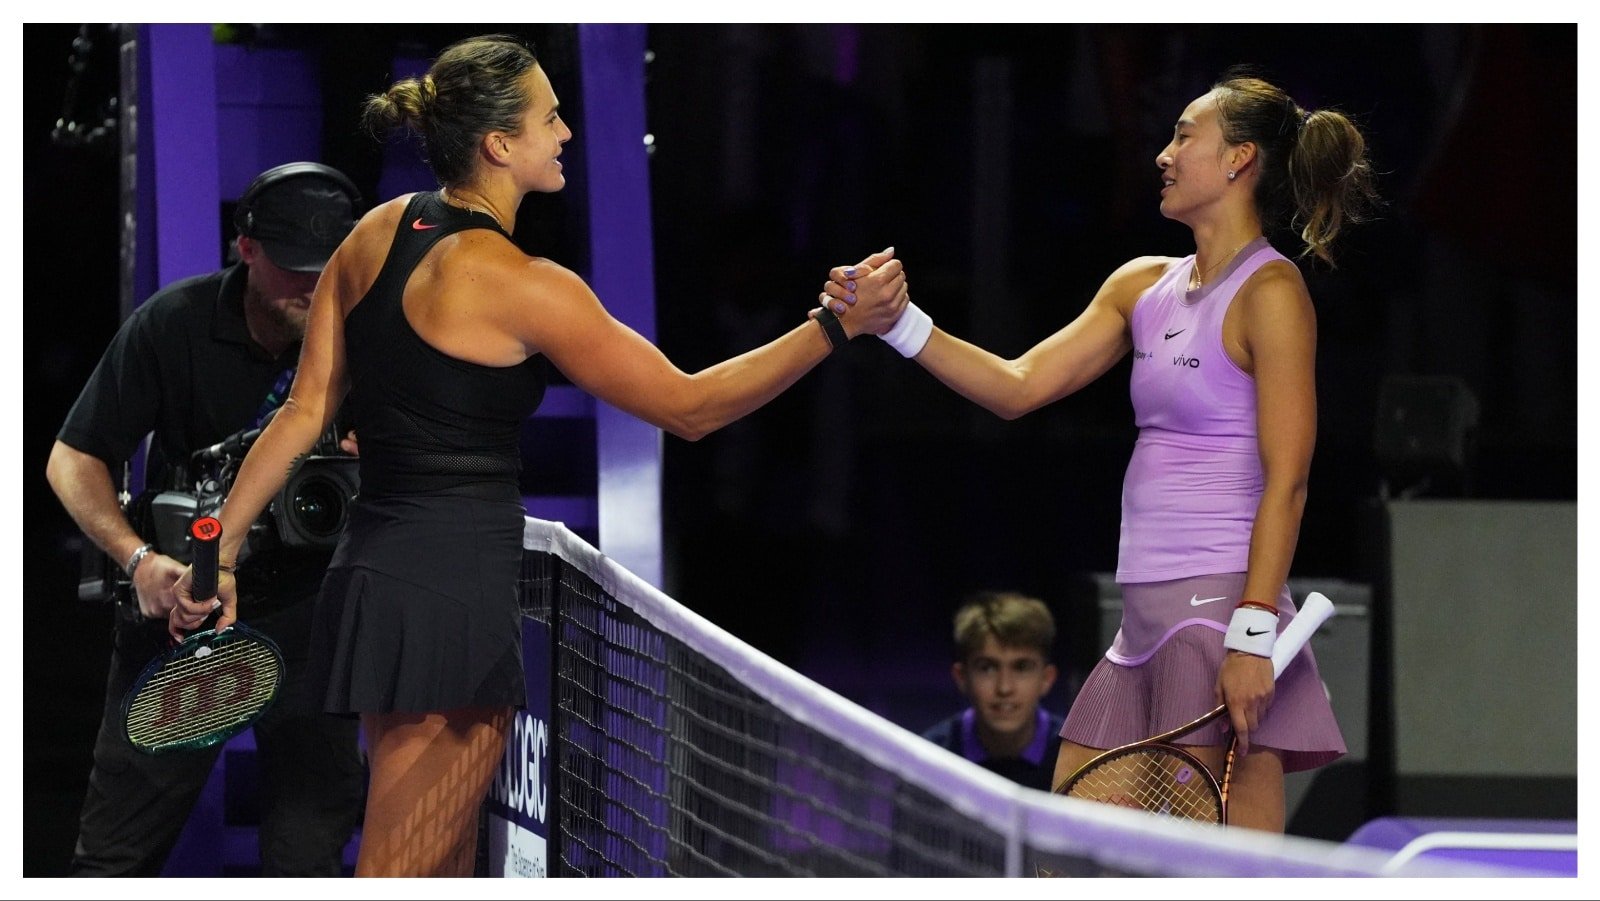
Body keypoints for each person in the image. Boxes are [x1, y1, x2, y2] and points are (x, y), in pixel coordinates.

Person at [167, 34, 908, 877]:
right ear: (499, 145)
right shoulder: (528, 285)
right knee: (399, 874)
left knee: (434, 871)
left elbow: (303, 411)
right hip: (449, 604)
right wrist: (834, 328)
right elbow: (691, 407)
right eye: (550, 117)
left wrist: (217, 548)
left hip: (373, 582)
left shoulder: (376, 232)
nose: (565, 133)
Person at [824, 70, 1378, 832]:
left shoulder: (1271, 294)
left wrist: (1253, 635)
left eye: (1185, 135)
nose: (1163, 153)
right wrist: (899, 324)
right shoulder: (1141, 286)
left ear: (1239, 159)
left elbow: (1289, 480)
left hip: (1215, 622)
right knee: (1069, 857)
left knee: (1222, 874)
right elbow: (1018, 386)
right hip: (1140, 625)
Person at [45, 162, 367, 875]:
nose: (310, 286)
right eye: (291, 268)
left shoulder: (364, 336)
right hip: (187, 615)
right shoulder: (174, 323)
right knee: (113, 860)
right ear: (245, 248)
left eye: (326, 267)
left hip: (317, 620)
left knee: (308, 863)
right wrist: (138, 561)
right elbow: (72, 459)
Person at [920, 591, 1065, 792]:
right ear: (961, 677)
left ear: (1046, 678)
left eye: (1022, 667)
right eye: (987, 668)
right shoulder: (928, 759)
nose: (1004, 688)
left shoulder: (1075, 759)